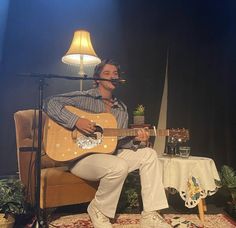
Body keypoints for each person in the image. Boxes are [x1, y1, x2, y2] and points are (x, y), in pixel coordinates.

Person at [44, 59, 171, 228]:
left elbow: (118, 143)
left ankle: (150, 214)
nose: (113, 76)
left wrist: (136, 139)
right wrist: (76, 121)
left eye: (115, 74)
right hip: (81, 158)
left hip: (108, 156)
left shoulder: (121, 109)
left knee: (149, 154)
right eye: (107, 73)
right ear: (97, 79)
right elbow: (50, 102)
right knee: (118, 166)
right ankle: (98, 209)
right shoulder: (85, 97)